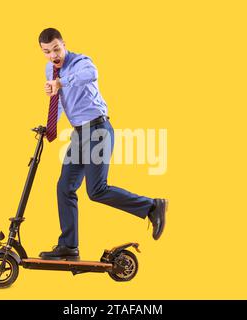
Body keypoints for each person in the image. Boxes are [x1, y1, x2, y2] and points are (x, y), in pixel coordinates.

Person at [38, 28, 168, 260]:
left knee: (96, 190)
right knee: (64, 187)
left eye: (56, 49)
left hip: (98, 129)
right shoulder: (50, 69)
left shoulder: (80, 62)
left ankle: (152, 206)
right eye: (47, 51)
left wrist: (61, 82)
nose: (53, 55)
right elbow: (58, 101)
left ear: (64, 45)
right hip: (79, 134)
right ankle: (69, 246)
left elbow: (91, 75)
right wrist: (48, 127)